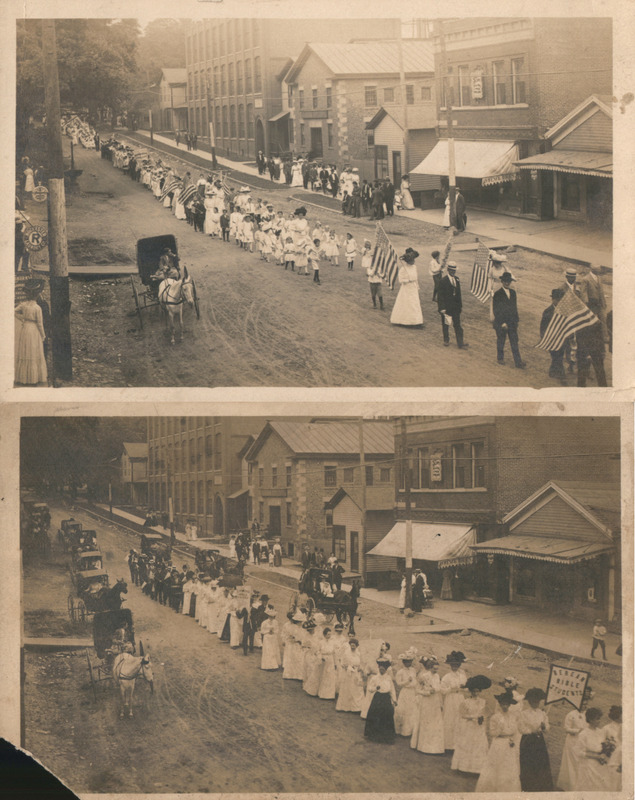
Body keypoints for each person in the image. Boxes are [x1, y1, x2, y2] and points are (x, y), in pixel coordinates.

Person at [476, 691, 521, 792]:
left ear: (509, 705)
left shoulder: (513, 716)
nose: (505, 706)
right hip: (499, 743)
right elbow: (491, 733)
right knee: (497, 765)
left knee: (508, 766)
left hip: (509, 744)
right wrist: (499, 729)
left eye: (507, 704)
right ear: (500, 704)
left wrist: (512, 737)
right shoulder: (495, 717)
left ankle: (507, 789)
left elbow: (514, 730)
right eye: (503, 704)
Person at [451, 674, 491, 774]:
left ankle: (477, 768)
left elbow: (486, 712)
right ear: (470, 691)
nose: (476, 693)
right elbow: (462, 715)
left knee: (479, 745)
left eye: (477, 691)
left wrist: (483, 718)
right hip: (469, 726)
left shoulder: (483, 701)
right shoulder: (466, 702)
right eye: (474, 691)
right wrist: (473, 717)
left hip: (479, 727)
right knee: (467, 743)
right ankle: (465, 767)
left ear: (480, 691)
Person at [557, 685, 593, 790]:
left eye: (586, 704)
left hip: (583, 742)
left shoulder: (588, 714)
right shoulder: (571, 714)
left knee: (581, 762)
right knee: (571, 762)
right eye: (582, 704)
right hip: (572, 741)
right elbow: (566, 728)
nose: (584, 706)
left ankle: (579, 784)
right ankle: (569, 784)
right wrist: (578, 731)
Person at [518, 687, 553, 791]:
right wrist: (531, 731)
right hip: (528, 740)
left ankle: (541, 786)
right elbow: (521, 728)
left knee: (540, 762)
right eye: (533, 700)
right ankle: (528, 785)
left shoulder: (542, 714)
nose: (535, 703)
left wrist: (544, 727)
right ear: (529, 701)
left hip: (539, 741)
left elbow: (547, 728)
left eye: (537, 700)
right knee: (528, 762)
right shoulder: (523, 713)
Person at [15, 281, 48, 385]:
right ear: (36, 295)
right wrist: (43, 335)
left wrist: (23, 318)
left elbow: (13, 311)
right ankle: (33, 379)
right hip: (34, 330)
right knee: (33, 351)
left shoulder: (23, 305)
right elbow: (40, 324)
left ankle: (23, 378)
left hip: (25, 329)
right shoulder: (37, 308)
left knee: (25, 351)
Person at [410, 656, 445, 754]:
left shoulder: (437, 676)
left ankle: (434, 747)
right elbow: (417, 690)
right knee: (426, 722)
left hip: (435, 702)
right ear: (430, 667)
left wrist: (440, 701)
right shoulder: (424, 676)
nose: (436, 670)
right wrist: (427, 692)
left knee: (435, 723)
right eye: (434, 668)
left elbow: (439, 689)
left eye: (437, 669)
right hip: (426, 701)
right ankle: (424, 746)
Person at [493, 271, 526, 368]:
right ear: (502, 281)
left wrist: (516, 320)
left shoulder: (513, 293)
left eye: (508, 281)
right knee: (501, 340)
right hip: (502, 322)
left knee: (514, 342)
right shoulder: (498, 294)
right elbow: (496, 310)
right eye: (505, 281)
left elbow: (514, 308)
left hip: (512, 322)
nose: (507, 283)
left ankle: (518, 362)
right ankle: (500, 358)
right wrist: (502, 322)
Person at [575, 708, 612, 791]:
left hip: (600, 764)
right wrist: (595, 757)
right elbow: (578, 751)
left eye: (600, 718)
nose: (600, 721)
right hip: (588, 765)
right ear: (591, 720)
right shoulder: (583, 734)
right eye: (597, 719)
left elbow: (603, 746)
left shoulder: (601, 732)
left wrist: (604, 754)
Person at [364, 658, 397, 743]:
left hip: (386, 698)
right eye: (380, 669)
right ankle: (374, 735)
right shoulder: (375, 678)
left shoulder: (388, 678)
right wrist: (375, 688)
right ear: (378, 668)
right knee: (376, 715)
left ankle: (386, 736)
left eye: (383, 669)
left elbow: (392, 689)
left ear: (386, 670)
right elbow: (369, 688)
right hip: (378, 698)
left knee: (387, 715)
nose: (382, 670)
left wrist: (394, 699)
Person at [441, 651, 468, 750]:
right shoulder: (447, 677)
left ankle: (457, 745)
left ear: (460, 665)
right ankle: (448, 745)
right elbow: (442, 690)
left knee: (459, 719)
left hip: (460, 698)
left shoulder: (462, 675)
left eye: (456, 665)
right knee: (450, 719)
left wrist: (463, 687)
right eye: (452, 665)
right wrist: (450, 689)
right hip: (450, 698)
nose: (454, 667)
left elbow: (466, 688)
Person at [540, 288, 568, 385]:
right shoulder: (548, 312)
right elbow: (543, 327)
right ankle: (562, 377)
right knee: (557, 357)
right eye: (558, 300)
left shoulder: (564, 312)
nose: (559, 302)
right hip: (551, 339)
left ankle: (552, 371)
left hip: (561, 339)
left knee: (558, 356)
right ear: (553, 300)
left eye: (561, 300)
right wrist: (544, 339)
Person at [438, 262, 468, 349]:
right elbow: (440, 296)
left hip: (455, 307)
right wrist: (442, 308)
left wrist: (460, 306)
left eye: (454, 270)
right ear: (448, 270)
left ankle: (460, 342)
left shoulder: (457, 279)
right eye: (451, 270)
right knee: (446, 324)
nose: (453, 272)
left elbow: (459, 294)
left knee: (457, 325)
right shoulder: (443, 281)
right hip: (447, 307)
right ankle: (446, 339)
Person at [390, 248, 423, 327]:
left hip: (413, 288)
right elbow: (401, 280)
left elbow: (416, 278)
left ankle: (416, 321)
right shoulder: (403, 269)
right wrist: (408, 280)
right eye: (412, 260)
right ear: (408, 261)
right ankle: (405, 321)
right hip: (406, 289)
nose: (413, 261)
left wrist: (417, 286)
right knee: (407, 304)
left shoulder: (414, 267)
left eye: (413, 260)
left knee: (414, 304)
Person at [335, 637, 365, 712]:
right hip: (348, 674)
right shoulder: (346, 653)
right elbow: (342, 663)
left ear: (357, 646)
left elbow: (361, 663)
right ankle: (345, 707)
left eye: (354, 645)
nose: (352, 646)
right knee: (347, 689)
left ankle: (357, 708)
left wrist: (360, 669)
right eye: (351, 645)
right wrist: (348, 667)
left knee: (357, 690)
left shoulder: (359, 654)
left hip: (356, 674)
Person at [393, 653, 418, 737]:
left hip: (412, 692)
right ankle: (402, 730)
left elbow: (415, 681)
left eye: (410, 662)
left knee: (412, 710)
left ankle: (409, 731)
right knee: (403, 710)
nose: (408, 663)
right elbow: (399, 683)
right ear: (403, 662)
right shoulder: (400, 672)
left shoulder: (413, 670)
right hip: (405, 692)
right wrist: (407, 681)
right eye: (406, 662)